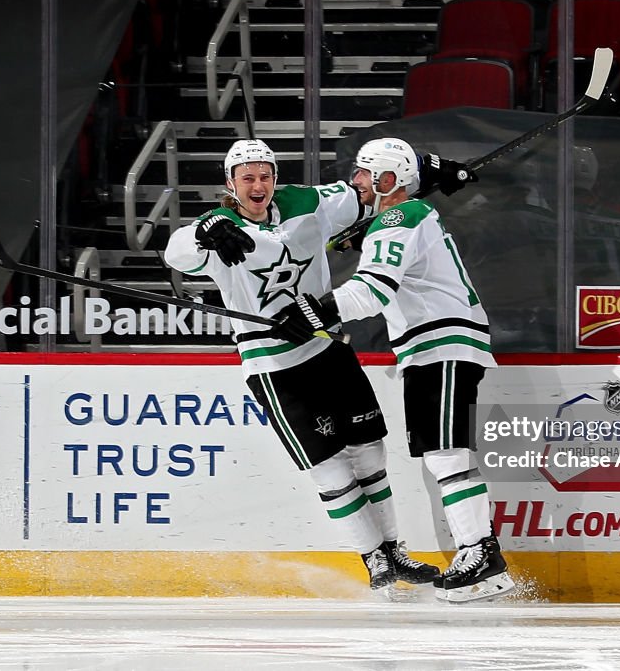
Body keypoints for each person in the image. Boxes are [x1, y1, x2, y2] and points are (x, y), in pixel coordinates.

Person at [163, 138, 474, 591]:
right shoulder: (221, 230)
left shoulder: (306, 201)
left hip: (326, 348)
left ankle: (395, 550)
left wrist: (430, 167)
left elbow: (371, 191)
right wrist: (202, 228)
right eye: (247, 178)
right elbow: (175, 254)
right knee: (329, 467)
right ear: (230, 183)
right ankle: (374, 559)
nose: (258, 185)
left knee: (369, 450)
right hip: (274, 364)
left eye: (265, 175)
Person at [270, 137, 514, 603]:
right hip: (430, 347)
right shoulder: (399, 215)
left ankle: (480, 555)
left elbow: (373, 290)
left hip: (443, 343)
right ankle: (485, 559)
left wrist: (312, 312)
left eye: (363, 174)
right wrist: (430, 166)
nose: (355, 181)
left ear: (385, 181)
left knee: (448, 454)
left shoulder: (399, 217)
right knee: (442, 453)